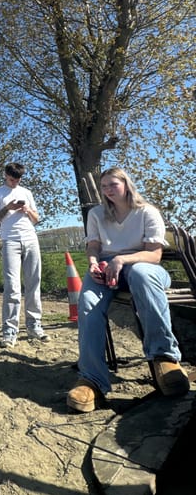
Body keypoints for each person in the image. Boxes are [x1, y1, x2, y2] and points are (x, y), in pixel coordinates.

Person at [67, 166, 190, 412]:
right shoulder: (97, 214)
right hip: (107, 270)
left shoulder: (147, 212)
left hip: (144, 267)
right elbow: (93, 246)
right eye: (103, 186)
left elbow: (154, 255)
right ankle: (92, 379)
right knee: (88, 300)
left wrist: (122, 260)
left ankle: (164, 358)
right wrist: (93, 262)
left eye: (113, 184)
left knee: (142, 275)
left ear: (126, 184)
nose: (108, 190)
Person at [0, 162, 49, 347]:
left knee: (33, 283)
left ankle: (34, 326)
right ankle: (9, 331)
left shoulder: (27, 193)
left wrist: (28, 210)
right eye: (12, 179)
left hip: (31, 239)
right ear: (5, 175)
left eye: (18, 179)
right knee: (12, 287)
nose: (15, 182)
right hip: (10, 241)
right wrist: (9, 208)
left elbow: (37, 219)